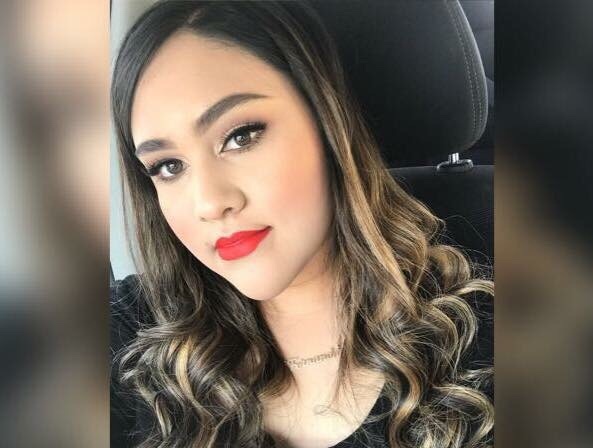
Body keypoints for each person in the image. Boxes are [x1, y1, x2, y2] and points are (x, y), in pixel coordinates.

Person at [110, 1, 494, 447]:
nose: (209, 203)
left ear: (327, 121)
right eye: (168, 166)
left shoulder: (494, 337)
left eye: (241, 136)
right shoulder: (129, 336)